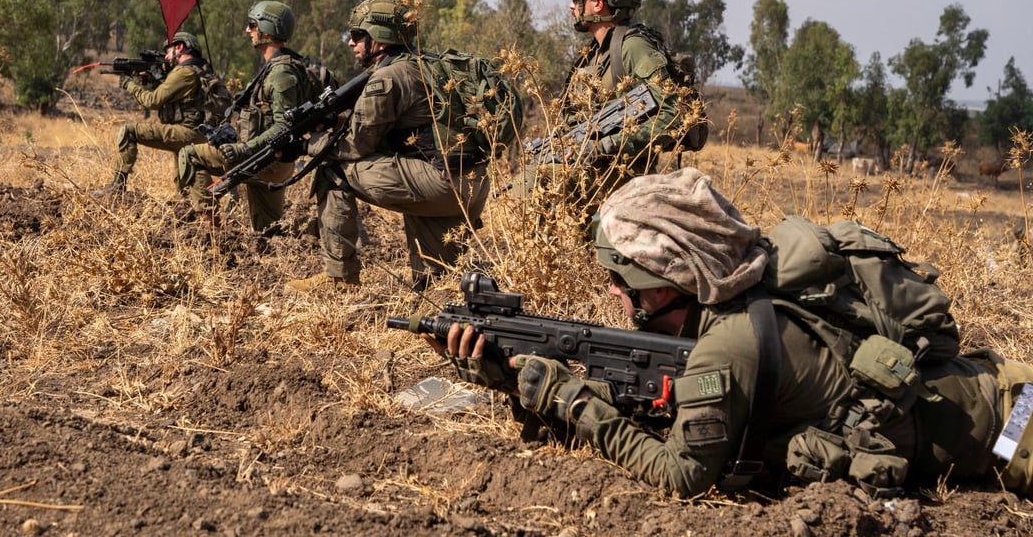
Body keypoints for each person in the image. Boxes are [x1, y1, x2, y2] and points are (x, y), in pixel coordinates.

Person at [435, 168, 1033, 498]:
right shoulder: (739, 287)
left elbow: (682, 474)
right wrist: (505, 373)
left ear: (664, 282)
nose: (615, 293)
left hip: (1010, 434)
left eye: (622, 279)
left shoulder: (732, 341)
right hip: (991, 389)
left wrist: (571, 402)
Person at [287, 0, 490, 293]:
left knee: (333, 165)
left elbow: (354, 146)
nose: (350, 43)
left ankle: (339, 277)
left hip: (441, 183)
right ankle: (440, 284)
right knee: (437, 286)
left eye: (357, 36)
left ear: (379, 40)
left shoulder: (388, 77)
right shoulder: (429, 64)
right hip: (471, 183)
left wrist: (305, 146)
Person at [520, 0, 702, 224]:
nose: (572, 5)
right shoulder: (592, 56)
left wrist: (603, 145)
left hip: (621, 176)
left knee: (536, 180)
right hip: (593, 171)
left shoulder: (633, 47)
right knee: (527, 178)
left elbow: (676, 113)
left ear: (598, 2)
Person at [177, 1, 316, 232]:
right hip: (268, 159)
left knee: (190, 155)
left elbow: (284, 126)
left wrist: (243, 149)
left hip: (265, 160)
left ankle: (210, 232)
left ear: (267, 30)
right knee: (266, 233)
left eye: (252, 25)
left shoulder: (281, 73)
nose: (247, 30)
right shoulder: (278, 66)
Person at [96, 31, 207, 196]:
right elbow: (172, 97)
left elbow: (152, 101)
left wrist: (130, 85)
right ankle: (189, 209)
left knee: (129, 132)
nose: (167, 56)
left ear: (180, 47)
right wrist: (154, 80)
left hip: (188, 133)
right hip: (196, 134)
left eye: (168, 51)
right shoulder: (197, 70)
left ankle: (117, 187)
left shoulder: (183, 72)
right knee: (184, 183)